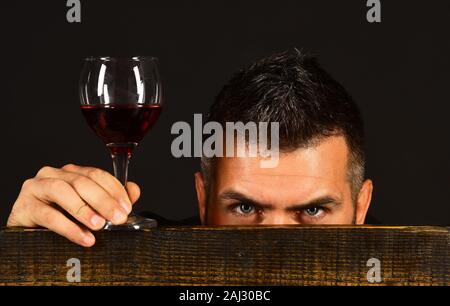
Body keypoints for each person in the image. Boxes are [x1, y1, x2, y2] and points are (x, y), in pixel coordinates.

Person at [6, 49, 374, 247]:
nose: (273, 244)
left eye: (312, 210)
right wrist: (21, 255)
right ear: (203, 200)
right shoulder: (123, 256)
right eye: (244, 207)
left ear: (361, 207)